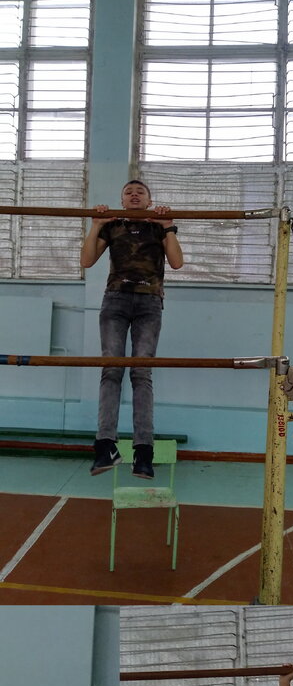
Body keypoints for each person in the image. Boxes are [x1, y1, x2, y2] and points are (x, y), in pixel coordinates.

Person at [80, 179, 184, 479]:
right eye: (128, 192)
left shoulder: (157, 227)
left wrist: (168, 226)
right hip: (115, 300)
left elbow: (177, 262)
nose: (134, 195)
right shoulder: (113, 225)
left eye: (140, 192)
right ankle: (105, 446)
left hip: (149, 302)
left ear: (149, 200)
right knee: (111, 369)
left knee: (141, 372)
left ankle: (143, 451)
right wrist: (96, 225)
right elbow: (86, 260)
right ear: (122, 201)